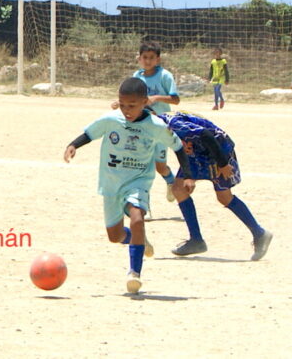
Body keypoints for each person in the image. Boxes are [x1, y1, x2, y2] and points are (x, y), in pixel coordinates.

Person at [64, 77, 194, 294]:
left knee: (137, 218)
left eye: (132, 106)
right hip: (111, 183)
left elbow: (178, 147)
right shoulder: (111, 120)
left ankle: (134, 274)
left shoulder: (156, 126)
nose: (126, 110)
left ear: (145, 102)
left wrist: (187, 175)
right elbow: (90, 133)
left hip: (138, 181)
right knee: (114, 236)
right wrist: (73, 145)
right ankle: (139, 239)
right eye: (122, 105)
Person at [158, 111, 272, 261]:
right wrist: (188, 175)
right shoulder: (147, 124)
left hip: (219, 151)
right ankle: (196, 240)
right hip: (196, 152)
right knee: (179, 189)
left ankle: (260, 233)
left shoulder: (170, 123)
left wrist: (223, 164)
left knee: (224, 197)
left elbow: (206, 135)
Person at [114, 41, 181, 204]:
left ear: (158, 59)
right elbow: (130, 98)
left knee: (160, 167)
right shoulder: (137, 77)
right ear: (139, 59)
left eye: (151, 58)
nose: (148, 61)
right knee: (139, 166)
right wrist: (119, 103)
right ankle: (139, 201)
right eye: (145, 57)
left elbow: (176, 99)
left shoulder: (165, 76)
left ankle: (170, 181)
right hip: (142, 127)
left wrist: (156, 98)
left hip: (160, 126)